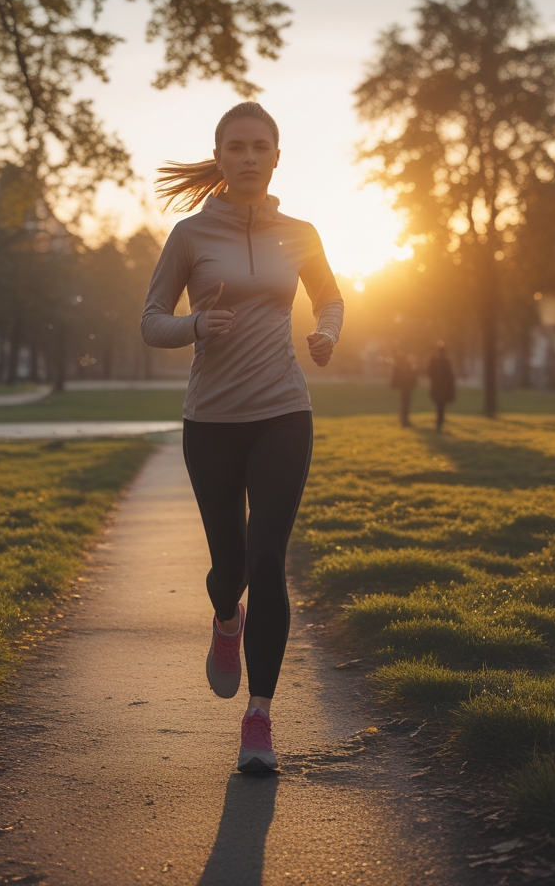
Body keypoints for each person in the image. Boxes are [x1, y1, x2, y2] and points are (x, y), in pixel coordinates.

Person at [141, 102, 343, 774]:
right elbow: (150, 322)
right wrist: (196, 327)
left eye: (262, 146)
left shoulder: (301, 232)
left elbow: (331, 297)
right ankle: (226, 620)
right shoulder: (191, 235)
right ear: (221, 156)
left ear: (278, 156)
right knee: (229, 569)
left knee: (267, 559)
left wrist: (326, 333)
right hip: (212, 421)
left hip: (284, 411)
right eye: (238, 147)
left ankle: (258, 718)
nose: (250, 157)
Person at [428, 341, 456, 431]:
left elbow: (429, 371)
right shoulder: (445, 362)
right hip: (442, 387)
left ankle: (439, 422)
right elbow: (450, 376)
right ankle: (440, 421)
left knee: (440, 404)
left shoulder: (436, 362)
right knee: (441, 405)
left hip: (438, 387)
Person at [390, 350, 418, 428]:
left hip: (403, 386)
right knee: (406, 403)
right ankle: (404, 419)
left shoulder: (399, 364)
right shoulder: (409, 364)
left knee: (403, 402)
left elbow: (395, 375)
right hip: (407, 386)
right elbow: (413, 375)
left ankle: (403, 418)